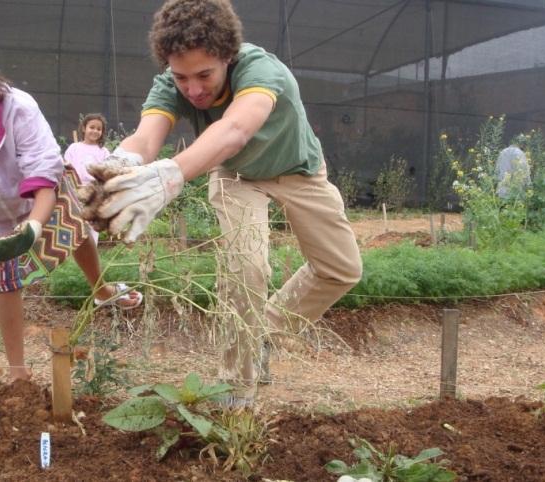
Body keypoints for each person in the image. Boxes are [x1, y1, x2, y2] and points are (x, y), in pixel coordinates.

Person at [84, 0, 363, 399]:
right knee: (247, 271)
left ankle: (264, 334)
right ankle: (236, 388)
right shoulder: (171, 82)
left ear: (228, 57)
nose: (193, 89)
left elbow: (235, 128)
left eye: (204, 75)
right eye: (182, 77)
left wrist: (169, 177)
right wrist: (121, 163)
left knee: (342, 269)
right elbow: (147, 136)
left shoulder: (261, 70)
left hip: (299, 171)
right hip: (237, 175)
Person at [0, 57, 141, 382]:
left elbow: (43, 172)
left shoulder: (19, 107)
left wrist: (33, 226)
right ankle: (18, 371)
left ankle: (100, 289)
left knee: (75, 227)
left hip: (41, 192)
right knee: (4, 282)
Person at [64, 113, 111, 243]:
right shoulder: (74, 148)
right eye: (92, 127)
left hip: (95, 193)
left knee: (92, 224)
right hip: (75, 191)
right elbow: (67, 169)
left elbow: (107, 172)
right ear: (84, 128)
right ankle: (74, 254)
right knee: (74, 222)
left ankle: (92, 250)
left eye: (99, 129)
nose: (95, 131)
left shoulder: (104, 152)